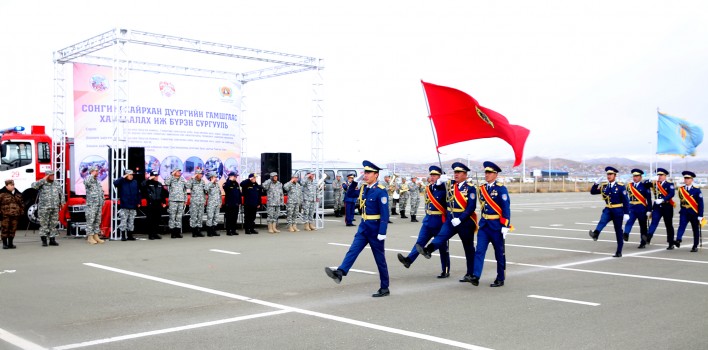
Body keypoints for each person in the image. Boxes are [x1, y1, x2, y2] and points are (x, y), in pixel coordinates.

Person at [325, 160, 391, 297]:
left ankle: (385, 287)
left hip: (375, 229)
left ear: (376, 175)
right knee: (353, 250)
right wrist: (355, 181)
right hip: (364, 227)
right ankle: (341, 272)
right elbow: (349, 194)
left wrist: (382, 231)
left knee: (380, 260)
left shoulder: (380, 191)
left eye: (368, 173)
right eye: (365, 172)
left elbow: (385, 213)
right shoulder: (363, 188)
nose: (365, 175)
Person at [416, 162, 477, 282]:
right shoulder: (450, 184)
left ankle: (470, 273)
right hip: (451, 219)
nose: (456, 174)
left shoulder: (470, 188)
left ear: (465, 174)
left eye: (458, 172)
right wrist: (439, 182)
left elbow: (471, 207)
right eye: (455, 172)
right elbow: (438, 189)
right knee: (441, 236)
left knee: (468, 248)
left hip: (464, 222)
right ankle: (428, 250)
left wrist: (460, 218)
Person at [397, 166, 451, 278]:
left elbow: (445, 194)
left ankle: (445, 270)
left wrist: (443, 182)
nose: (432, 177)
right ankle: (409, 260)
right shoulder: (429, 187)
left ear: (440, 177)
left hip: (439, 221)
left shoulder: (444, 188)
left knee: (442, 247)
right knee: (419, 243)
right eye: (431, 175)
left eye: (435, 175)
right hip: (428, 220)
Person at [472, 162, 512, 287]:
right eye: (486, 172)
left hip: (496, 226)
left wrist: (505, 225)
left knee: (499, 253)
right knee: (479, 251)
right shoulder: (482, 188)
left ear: (495, 174)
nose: (487, 175)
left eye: (489, 173)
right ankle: (476, 276)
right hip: (484, 226)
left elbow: (506, 208)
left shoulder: (501, 189)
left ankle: (500, 278)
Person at [588, 166, 630, 257]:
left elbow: (626, 201)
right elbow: (593, 192)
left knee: (618, 231)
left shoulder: (620, 187)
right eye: (608, 174)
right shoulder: (604, 186)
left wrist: (626, 213)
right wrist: (596, 183)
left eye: (611, 174)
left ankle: (619, 251)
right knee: (602, 221)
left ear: (615, 175)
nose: (609, 176)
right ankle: (596, 234)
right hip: (608, 209)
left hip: (618, 210)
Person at [644, 168, 677, 249]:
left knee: (668, 225)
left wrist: (663, 199)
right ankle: (648, 237)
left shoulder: (669, 184)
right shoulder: (655, 183)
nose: (659, 176)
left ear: (665, 176)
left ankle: (670, 242)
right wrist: (649, 180)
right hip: (657, 207)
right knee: (654, 222)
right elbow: (645, 184)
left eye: (661, 175)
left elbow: (671, 194)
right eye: (658, 175)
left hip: (667, 206)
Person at [32, 169, 64, 247]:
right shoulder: (42, 183)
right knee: (44, 224)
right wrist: (43, 179)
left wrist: (62, 202)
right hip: (44, 208)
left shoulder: (56, 183)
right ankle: (44, 240)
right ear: (47, 176)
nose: (52, 176)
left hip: (54, 207)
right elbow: (33, 186)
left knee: (53, 224)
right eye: (51, 175)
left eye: (53, 175)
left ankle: (52, 239)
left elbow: (61, 194)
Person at [624, 169, 652, 249]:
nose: (635, 178)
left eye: (637, 176)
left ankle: (643, 242)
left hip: (641, 208)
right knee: (629, 222)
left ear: (640, 177)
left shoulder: (645, 186)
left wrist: (649, 210)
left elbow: (649, 199)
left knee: (643, 226)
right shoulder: (629, 186)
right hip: (632, 208)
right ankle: (626, 234)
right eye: (634, 176)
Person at [676, 171, 704, 252]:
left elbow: (700, 204)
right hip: (684, 211)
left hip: (693, 213)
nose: (686, 180)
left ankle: (695, 245)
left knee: (695, 229)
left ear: (692, 180)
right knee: (681, 226)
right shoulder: (681, 189)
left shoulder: (696, 190)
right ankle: (678, 240)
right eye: (685, 178)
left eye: (688, 178)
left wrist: (700, 215)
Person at [113, 169, 140, 241]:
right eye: (130, 175)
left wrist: (138, 202)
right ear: (126, 175)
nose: (131, 176)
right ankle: (123, 235)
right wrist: (123, 177)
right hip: (124, 204)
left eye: (132, 175)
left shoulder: (135, 182)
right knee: (123, 221)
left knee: (131, 221)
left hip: (133, 204)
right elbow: (115, 183)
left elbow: (138, 193)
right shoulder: (122, 182)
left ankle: (130, 235)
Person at [85, 166, 106, 244]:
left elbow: (101, 192)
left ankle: (96, 236)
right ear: (91, 171)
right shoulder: (88, 179)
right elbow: (86, 183)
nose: (97, 172)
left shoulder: (97, 181)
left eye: (97, 171)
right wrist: (91, 175)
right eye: (95, 171)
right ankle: (90, 237)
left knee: (97, 221)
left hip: (98, 204)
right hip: (91, 205)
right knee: (91, 220)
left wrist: (102, 200)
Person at [141, 170, 165, 240]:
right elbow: (142, 185)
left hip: (158, 204)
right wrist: (148, 179)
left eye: (157, 176)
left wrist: (163, 202)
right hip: (151, 203)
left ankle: (155, 233)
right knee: (150, 219)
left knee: (157, 219)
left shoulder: (159, 184)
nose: (156, 177)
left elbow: (162, 193)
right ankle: (150, 234)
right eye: (154, 176)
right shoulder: (147, 183)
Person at [165, 168, 188, 238]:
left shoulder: (182, 179)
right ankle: (173, 232)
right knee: (172, 216)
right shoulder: (171, 179)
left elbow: (185, 190)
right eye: (177, 171)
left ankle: (178, 232)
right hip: (173, 200)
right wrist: (172, 175)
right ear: (174, 172)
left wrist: (185, 200)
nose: (179, 172)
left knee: (179, 217)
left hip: (181, 200)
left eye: (180, 171)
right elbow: (166, 183)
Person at [0, 179, 23, 249]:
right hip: (5, 215)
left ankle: (10, 243)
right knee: (5, 229)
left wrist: (21, 212)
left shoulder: (17, 193)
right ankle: (4, 244)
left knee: (13, 229)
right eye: (11, 185)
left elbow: (21, 204)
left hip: (15, 215)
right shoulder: (1, 194)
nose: (13, 186)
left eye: (13, 185)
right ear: (6, 186)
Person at [187, 169, 207, 238]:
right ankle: (194, 231)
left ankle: (199, 231)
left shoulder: (202, 182)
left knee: (200, 217)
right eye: (200, 174)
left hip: (201, 202)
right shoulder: (192, 181)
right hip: (194, 202)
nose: (201, 175)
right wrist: (192, 178)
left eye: (202, 174)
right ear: (196, 174)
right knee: (194, 217)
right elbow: (187, 186)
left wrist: (204, 200)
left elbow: (204, 192)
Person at [222, 172, 241, 236]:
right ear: (230, 176)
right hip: (229, 204)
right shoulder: (226, 183)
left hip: (236, 203)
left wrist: (239, 202)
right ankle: (228, 231)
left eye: (236, 176)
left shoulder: (236, 184)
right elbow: (226, 188)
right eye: (235, 176)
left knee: (235, 217)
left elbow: (239, 194)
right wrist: (230, 180)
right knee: (229, 218)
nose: (236, 177)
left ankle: (233, 230)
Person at [204, 172, 222, 237]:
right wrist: (211, 182)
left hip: (217, 204)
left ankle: (214, 230)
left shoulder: (217, 185)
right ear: (211, 177)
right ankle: (209, 231)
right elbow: (205, 189)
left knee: (216, 217)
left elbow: (219, 194)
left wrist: (220, 202)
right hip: (211, 204)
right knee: (210, 217)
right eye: (215, 177)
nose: (216, 178)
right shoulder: (209, 184)